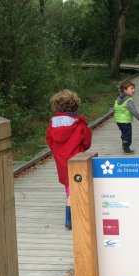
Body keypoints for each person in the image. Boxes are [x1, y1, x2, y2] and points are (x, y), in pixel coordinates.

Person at [46, 89, 92, 229]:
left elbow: (50, 142)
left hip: (61, 161)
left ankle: (71, 218)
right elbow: (87, 142)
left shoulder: (52, 125)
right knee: (75, 190)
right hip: (77, 160)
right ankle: (70, 220)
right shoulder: (79, 125)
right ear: (75, 106)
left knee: (69, 188)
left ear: (57, 106)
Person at [111, 80, 139, 154]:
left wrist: (116, 118)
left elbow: (115, 109)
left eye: (134, 88)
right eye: (131, 88)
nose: (133, 90)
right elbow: (133, 110)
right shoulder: (128, 100)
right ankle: (127, 148)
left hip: (118, 120)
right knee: (128, 134)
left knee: (124, 133)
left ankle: (124, 144)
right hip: (125, 121)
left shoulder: (118, 99)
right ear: (125, 90)